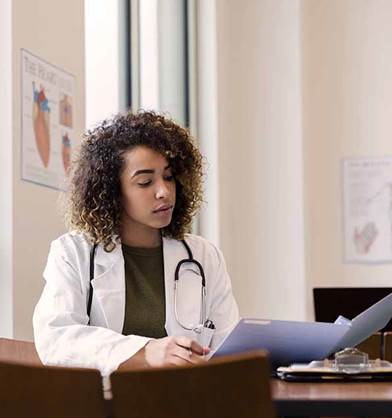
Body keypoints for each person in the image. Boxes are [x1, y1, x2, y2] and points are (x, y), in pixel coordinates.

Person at [32, 111, 239, 376]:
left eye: (169, 176)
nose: (163, 191)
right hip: (105, 410)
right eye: (145, 182)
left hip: (188, 407)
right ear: (111, 191)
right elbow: (57, 339)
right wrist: (147, 352)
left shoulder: (203, 256)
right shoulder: (73, 253)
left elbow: (230, 350)